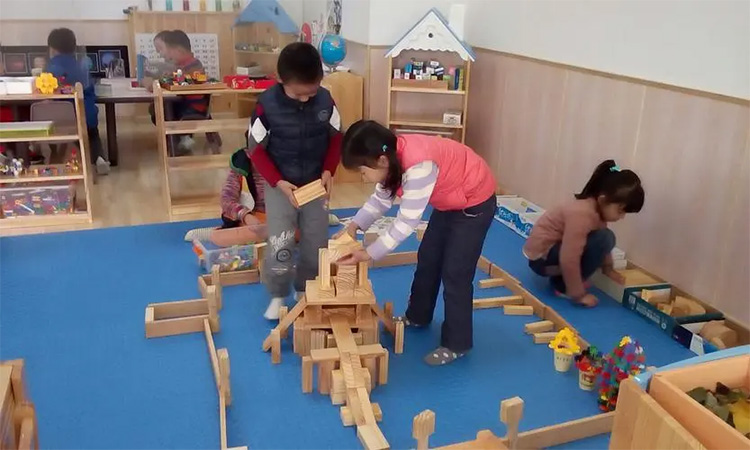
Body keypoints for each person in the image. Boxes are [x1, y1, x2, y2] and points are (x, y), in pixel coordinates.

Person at [336, 121, 497, 366]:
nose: (363, 177)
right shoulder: (391, 160)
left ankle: (457, 343)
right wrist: (354, 225)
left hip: (474, 201)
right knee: (429, 258)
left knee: (456, 272)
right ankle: (418, 316)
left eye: (362, 171)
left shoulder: (419, 167)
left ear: (381, 160)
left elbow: (406, 222)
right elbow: (380, 200)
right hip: (450, 200)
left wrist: (369, 253)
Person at [248, 42, 342, 320]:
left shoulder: (326, 101)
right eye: (299, 93)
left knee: (316, 242)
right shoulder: (266, 106)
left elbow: (336, 137)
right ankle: (278, 294)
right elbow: (255, 150)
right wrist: (277, 182)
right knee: (281, 243)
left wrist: (329, 170)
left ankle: (305, 289)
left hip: (315, 185)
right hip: (280, 186)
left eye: (311, 92)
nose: (306, 99)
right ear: (281, 80)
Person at [523, 160, 644, 307]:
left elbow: (601, 245)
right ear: (602, 200)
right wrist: (578, 295)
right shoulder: (582, 214)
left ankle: (563, 280)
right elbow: (569, 258)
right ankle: (563, 286)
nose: (622, 216)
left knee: (605, 237)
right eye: (620, 211)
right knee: (605, 238)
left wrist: (608, 269)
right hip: (541, 261)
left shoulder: (596, 211)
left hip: (550, 253)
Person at [46, 28, 109, 174]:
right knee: (92, 134)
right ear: (74, 47)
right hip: (86, 116)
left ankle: (54, 154)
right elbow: (90, 90)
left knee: (60, 127)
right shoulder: (81, 66)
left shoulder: (51, 68)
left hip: (60, 119)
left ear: (52, 49)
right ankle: (99, 157)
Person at [150, 30, 221, 155]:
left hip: (193, 106)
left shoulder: (193, 64)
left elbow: (182, 81)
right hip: (184, 102)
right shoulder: (181, 65)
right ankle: (176, 138)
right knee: (156, 108)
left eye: (170, 56)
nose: (168, 58)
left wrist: (167, 77)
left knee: (163, 109)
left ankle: (179, 140)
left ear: (179, 51)